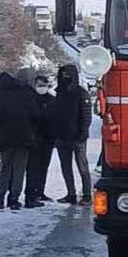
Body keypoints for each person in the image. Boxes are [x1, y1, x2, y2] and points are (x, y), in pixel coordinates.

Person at [51, 64, 93, 206]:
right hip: (61, 136)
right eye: (63, 74)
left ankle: (87, 195)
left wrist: (83, 132)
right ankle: (71, 194)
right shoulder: (59, 93)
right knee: (66, 168)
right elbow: (55, 115)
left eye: (68, 74)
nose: (65, 77)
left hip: (77, 137)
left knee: (82, 167)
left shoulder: (81, 93)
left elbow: (86, 115)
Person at [0, 70, 38, 211]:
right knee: (19, 170)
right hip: (23, 138)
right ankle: (14, 199)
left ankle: (0, 198)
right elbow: (35, 114)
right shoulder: (26, 93)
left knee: (5, 169)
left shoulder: (0, 94)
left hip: (4, 139)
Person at [24, 74, 55, 207]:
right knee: (33, 168)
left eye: (44, 85)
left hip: (48, 138)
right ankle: (31, 194)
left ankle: (40, 192)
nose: (41, 88)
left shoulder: (52, 100)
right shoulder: (30, 99)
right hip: (34, 139)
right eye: (39, 85)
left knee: (44, 167)